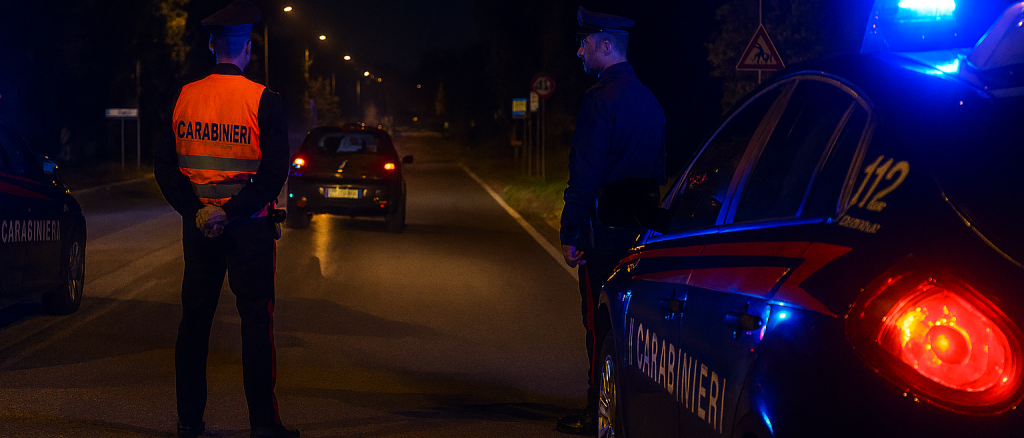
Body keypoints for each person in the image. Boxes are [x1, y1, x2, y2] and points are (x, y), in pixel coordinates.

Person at [153, 1, 297, 437]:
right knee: (256, 323)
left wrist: (199, 213)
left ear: (213, 46)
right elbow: (273, 174)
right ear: (248, 48)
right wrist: (230, 213)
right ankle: (262, 426)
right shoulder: (264, 101)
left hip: (199, 231)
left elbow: (165, 167)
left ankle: (189, 422)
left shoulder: (183, 97)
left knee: (194, 322)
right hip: (249, 229)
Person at [557, 5, 667, 436]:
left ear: (606, 45)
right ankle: (626, 407)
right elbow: (657, 174)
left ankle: (595, 411)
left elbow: (584, 175)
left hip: (600, 235)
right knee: (631, 325)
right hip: (638, 235)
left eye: (584, 42)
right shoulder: (651, 102)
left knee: (597, 322)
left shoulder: (600, 101)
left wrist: (570, 232)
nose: (579, 51)